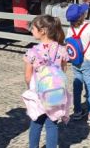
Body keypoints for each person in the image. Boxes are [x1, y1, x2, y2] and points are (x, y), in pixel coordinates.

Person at [23, 15, 70, 148]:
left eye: (33, 28)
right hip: (55, 92)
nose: (31, 30)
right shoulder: (61, 49)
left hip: (39, 93)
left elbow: (27, 76)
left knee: (36, 122)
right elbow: (63, 70)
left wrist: (30, 88)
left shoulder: (32, 52)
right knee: (52, 123)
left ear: (42, 31)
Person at [65, 4, 90, 123]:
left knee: (77, 86)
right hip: (88, 60)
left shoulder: (70, 29)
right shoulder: (89, 27)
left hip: (75, 61)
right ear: (83, 15)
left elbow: (68, 45)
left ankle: (77, 111)